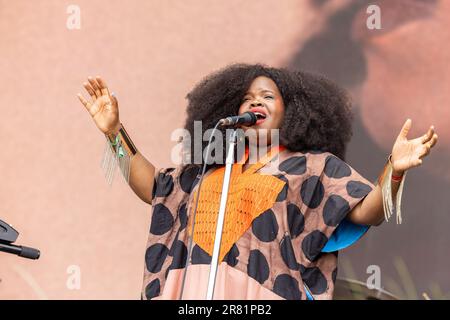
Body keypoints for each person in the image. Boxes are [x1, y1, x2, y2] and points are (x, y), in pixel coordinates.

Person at [77, 63, 438, 300]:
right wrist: (114, 134)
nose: (255, 102)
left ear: (292, 110)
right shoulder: (207, 174)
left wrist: (395, 168)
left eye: (268, 96)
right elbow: (153, 186)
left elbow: (367, 211)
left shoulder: (312, 169)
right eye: (246, 98)